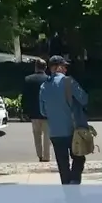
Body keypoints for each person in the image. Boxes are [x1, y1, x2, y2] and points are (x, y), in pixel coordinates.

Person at [39, 55, 88, 185]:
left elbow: (43, 111)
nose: (66, 69)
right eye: (64, 66)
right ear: (58, 67)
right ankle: (74, 180)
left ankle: (68, 192)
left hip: (55, 132)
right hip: (73, 130)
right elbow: (84, 99)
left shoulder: (44, 86)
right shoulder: (68, 82)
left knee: (62, 164)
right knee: (79, 158)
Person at [22, 59, 51, 163]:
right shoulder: (49, 79)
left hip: (34, 112)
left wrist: (25, 111)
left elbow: (25, 97)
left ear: (36, 67)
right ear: (45, 67)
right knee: (47, 136)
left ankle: (40, 155)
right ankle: (46, 156)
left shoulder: (28, 79)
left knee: (37, 135)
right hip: (47, 113)